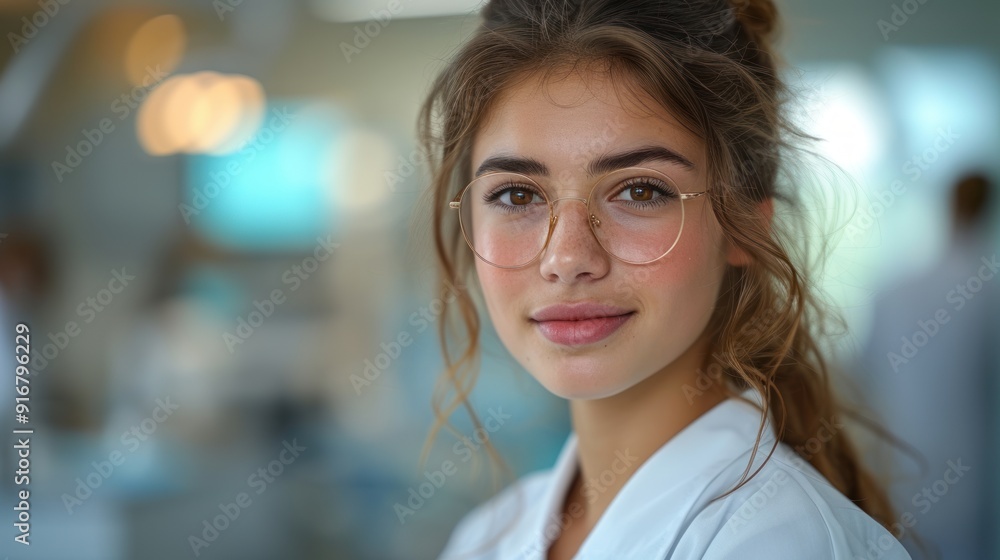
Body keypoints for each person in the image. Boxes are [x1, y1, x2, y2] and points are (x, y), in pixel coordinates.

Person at [415, 0, 912, 558]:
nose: (567, 257)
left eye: (640, 191)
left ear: (744, 226)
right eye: (517, 195)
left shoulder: (777, 540)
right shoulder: (486, 538)